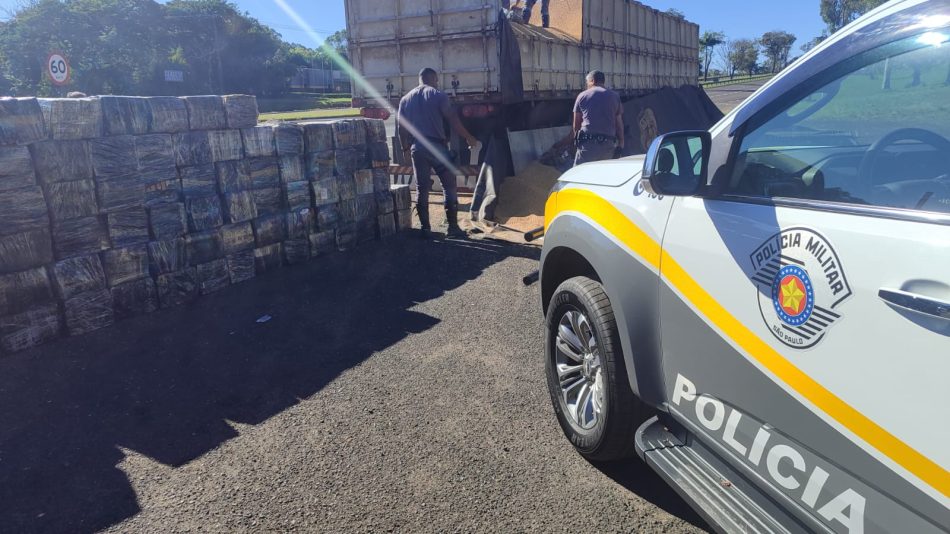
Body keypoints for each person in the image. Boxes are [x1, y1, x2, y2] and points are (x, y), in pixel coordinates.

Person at [397, 67, 478, 239]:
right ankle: (452, 227)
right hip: (436, 147)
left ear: (419, 79)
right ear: (433, 79)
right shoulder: (438, 95)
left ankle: (425, 229)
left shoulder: (405, 99)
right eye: (436, 80)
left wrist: (405, 149)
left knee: (421, 187)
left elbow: (401, 129)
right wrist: (469, 138)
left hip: (417, 148)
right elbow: (453, 119)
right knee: (449, 185)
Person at [572, 70, 624, 167]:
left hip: (588, 146)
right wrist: (621, 143)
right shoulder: (615, 96)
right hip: (608, 145)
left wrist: (577, 142)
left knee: (580, 176)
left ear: (592, 80)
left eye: (587, 82)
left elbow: (576, 124)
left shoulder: (582, 96)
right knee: (604, 176)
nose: (587, 85)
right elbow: (619, 124)